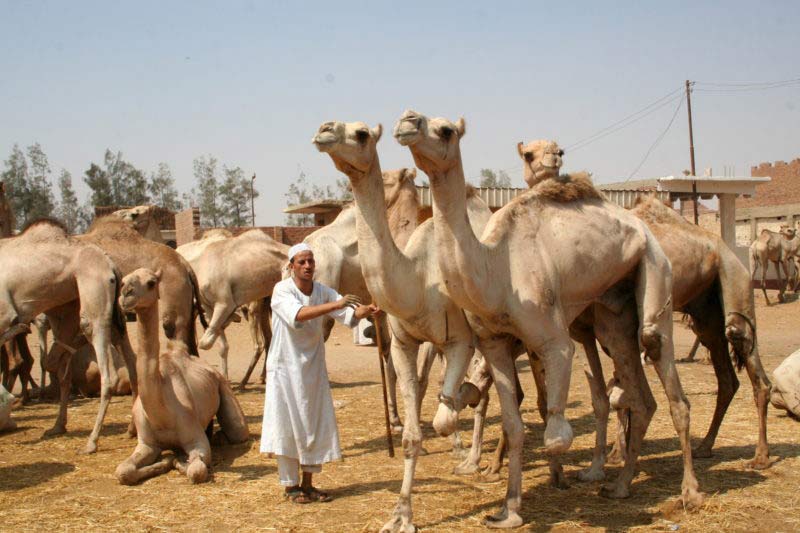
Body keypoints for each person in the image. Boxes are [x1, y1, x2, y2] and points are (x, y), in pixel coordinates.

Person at [260, 242, 380, 503]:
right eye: (301, 262)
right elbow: (300, 314)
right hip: (284, 369)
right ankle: (290, 486)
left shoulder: (323, 291)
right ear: (291, 266)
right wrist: (336, 304)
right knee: (287, 424)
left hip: (312, 368)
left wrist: (366, 310)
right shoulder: (282, 290)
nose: (307, 266)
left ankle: (308, 483)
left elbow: (349, 314)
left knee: (313, 422)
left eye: (310, 261)